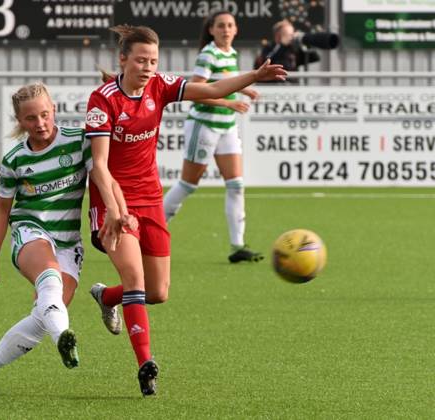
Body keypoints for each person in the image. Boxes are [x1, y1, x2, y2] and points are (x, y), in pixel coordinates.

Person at [85, 25, 286, 396]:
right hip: (112, 200)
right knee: (135, 278)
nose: (147, 67)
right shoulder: (103, 99)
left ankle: (105, 296)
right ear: (123, 59)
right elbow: (99, 166)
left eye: (153, 60)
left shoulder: (160, 86)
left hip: (149, 198)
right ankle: (145, 365)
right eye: (141, 60)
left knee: (158, 292)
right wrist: (114, 211)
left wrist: (254, 76)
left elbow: (209, 90)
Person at [0, 83, 87, 398]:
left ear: (54, 110)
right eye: (31, 118)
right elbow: (1, 210)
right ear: (20, 121)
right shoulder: (14, 159)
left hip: (69, 241)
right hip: (30, 231)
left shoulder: (79, 142)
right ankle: (65, 338)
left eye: (44, 114)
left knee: (45, 312)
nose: (40, 123)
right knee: (50, 284)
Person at [163, 10, 263, 263]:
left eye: (230, 25)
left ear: (236, 29)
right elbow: (196, 91)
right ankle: (149, 231)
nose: (226, 29)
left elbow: (225, 81)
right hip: (204, 125)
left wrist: (246, 89)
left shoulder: (230, 53)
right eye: (221, 26)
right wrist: (228, 104)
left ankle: (237, 245)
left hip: (226, 127)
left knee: (236, 184)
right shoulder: (209, 54)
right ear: (212, 30)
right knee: (188, 184)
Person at [254, 19, 319, 82]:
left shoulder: (293, 49)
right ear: (278, 35)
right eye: (288, 34)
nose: (291, 37)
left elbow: (315, 57)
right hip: (273, 86)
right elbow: (267, 61)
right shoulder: (269, 47)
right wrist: (282, 45)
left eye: (292, 34)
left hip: (292, 87)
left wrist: (305, 41)